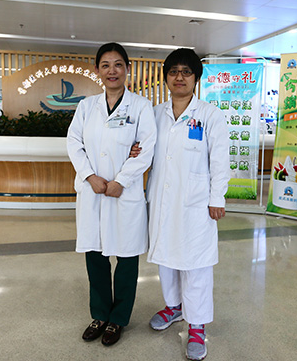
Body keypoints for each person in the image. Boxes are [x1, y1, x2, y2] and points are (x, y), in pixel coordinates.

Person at [132, 48, 229, 360]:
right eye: (173, 71)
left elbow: (220, 161)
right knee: (166, 258)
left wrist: (217, 198)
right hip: (162, 199)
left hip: (196, 202)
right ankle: (174, 307)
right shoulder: (155, 114)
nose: (179, 77)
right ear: (165, 78)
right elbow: (143, 148)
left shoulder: (210, 115)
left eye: (186, 71)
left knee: (196, 262)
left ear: (196, 78)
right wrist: (134, 151)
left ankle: (197, 324)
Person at [66, 42, 156, 346]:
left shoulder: (141, 107)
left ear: (127, 69)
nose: (112, 71)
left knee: (127, 257)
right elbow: (74, 143)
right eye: (105, 65)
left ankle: (118, 319)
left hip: (124, 194)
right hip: (93, 191)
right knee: (95, 256)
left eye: (118, 64)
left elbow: (146, 149)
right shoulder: (86, 106)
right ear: (97, 70)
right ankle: (100, 314)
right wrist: (89, 176)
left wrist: (122, 180)